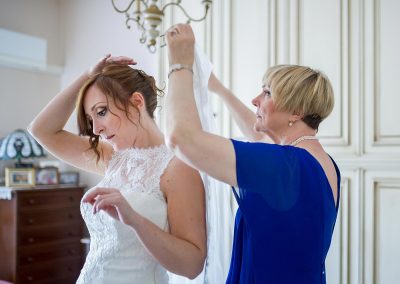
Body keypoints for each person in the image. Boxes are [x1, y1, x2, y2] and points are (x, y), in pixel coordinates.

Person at [164, 24, 341, 283]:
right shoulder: (319, 162)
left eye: (267, 92)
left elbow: (181, 139)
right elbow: (258, 134)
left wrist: (179, 66)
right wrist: (218, 89)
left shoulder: (283, 166)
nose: (256, 100)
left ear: (296, 112)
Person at [28, 55, 206, 283]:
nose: (96, 129)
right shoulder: (110, 158)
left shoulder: (177, 168)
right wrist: (88, 74)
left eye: (101, 112)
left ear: (137, 102)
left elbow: (192, 265)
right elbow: (41, 130)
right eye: (91, 119)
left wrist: (134, 219)